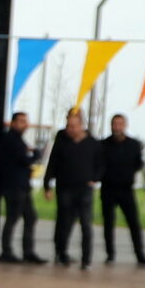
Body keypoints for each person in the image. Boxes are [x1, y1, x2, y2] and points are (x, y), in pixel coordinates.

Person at [44, 108, 99, 270]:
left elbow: (101, 163)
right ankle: (61, 253)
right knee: (63, 222)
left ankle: (86, 259)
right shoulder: (62, 139)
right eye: (69, 125)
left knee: (86, 223)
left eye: (74, 125)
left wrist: (94, 178)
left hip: (84, 189)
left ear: (81, 124)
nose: (71, 129)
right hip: (65, 188)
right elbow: (52, 163)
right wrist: (47, 185)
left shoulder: (92, 143)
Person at [0, 110, 43, 264]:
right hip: (14, 186)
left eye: (25, 121)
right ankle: (7, 250)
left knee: (30, 217)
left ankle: (28, 251)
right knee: (13, 217)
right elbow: (24, 160)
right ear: (13, 123)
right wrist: (37, 154)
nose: (24, 124)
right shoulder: (11, 139)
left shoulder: (18, 140)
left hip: (21, 186)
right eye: (20, 121)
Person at [97, 112, 145, 267]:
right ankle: (110, 254)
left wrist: (127, 173)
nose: (117, 127)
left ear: (125, 126)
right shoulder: (103, 145)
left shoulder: (134, 144)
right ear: (111, 126)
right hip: (108, 189)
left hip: (126, 189)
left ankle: (140, 254)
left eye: (120, 124)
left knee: (134, 222)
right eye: (115, 124)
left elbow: (139, 164)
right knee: (108, 223)